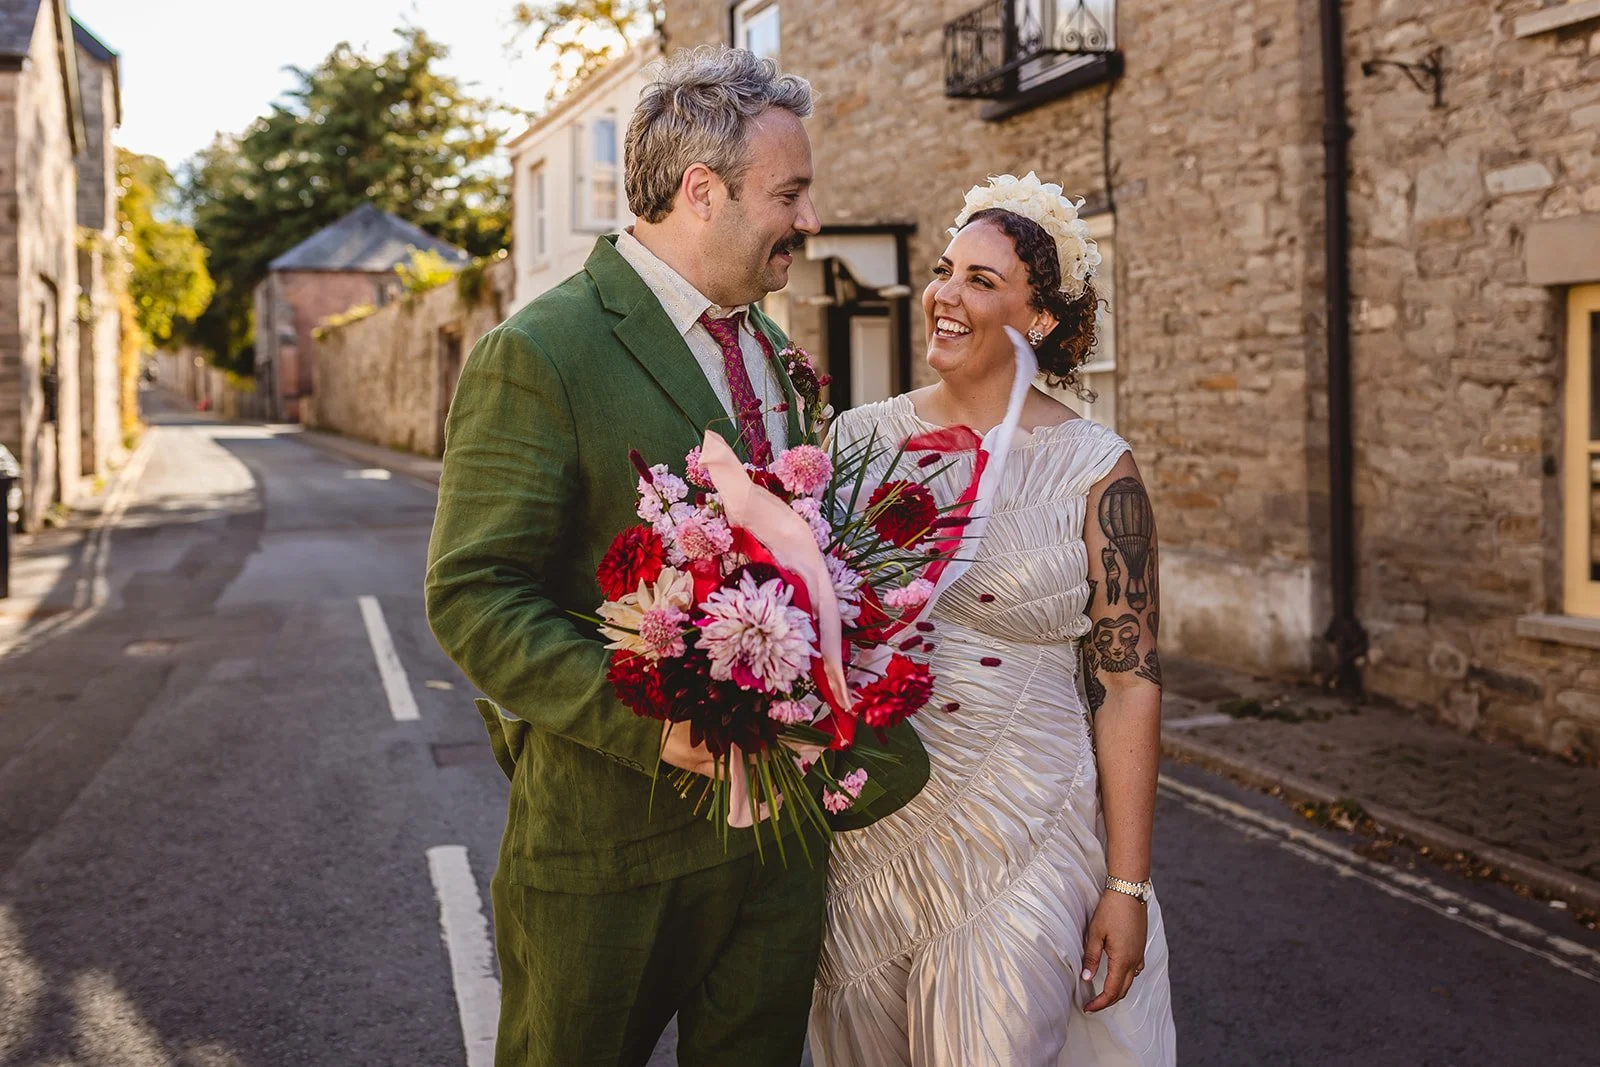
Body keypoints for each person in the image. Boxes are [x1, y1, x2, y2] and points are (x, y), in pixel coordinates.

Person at [425, 46, 925, 1066]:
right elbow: (473, 594)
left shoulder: (770, 351)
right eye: (789, 193)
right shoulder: (542, 350)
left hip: (777, 852)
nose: (810, 218)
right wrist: (658, 728)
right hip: (608, 848)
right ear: (703, 191)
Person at [809, 174, 1178, 1065]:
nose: (944, 294)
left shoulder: (1098, 470)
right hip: (872, 834)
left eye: (981, 280)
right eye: (945, 270)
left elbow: (1128, 686)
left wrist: (1126, 883)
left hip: (1028, 829)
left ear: (1039, 318)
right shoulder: (854, 444)